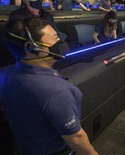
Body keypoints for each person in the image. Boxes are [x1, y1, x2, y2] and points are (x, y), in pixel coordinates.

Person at [0, 17, 98, 155]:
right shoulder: (58, 92)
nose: (60, 42)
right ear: (31, 47)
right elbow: (75, 137)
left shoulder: (5, 74)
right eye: (55, 38)